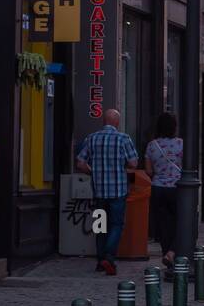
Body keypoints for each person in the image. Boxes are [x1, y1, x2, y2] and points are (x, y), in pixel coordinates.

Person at [75, 109, 138, 275]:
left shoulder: (91, 138)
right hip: (118, 191)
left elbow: (80, 163)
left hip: (98, 191)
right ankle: (109, 257)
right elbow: (133, 163)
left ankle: (99, 261)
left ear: (104, 121)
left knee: (100, 226)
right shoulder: (123, 138)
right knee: (116, 224)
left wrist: (93, 171)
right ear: (117, 122)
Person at [143, 112, 183, 271]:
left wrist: (159, 174)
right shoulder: (181, 144)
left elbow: (148, 170)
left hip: (158, 188)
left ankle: (167, 253)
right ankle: (172, 253)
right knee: (182, 223)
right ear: (174, 127)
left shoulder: (152, 145)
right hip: (176, 188)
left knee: (164, 226)